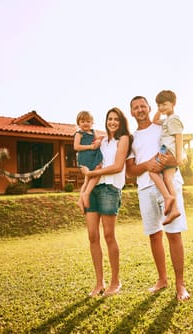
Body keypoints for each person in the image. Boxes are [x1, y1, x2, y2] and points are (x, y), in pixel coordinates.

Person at [126, 95, 190, 301]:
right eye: (136, 107)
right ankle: (162, 279)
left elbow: (179, 150)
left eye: (143, 106)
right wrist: (147, 165)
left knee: (174, 234)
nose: (140, 110)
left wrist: (174, 159)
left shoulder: (160, 126)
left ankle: (180, 285)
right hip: (145, 189)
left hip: (170, 184)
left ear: (149, 107)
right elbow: (130, 170)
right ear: (131, 112)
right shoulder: (131, 138)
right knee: (154, 235)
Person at [80, 107, 133, 297]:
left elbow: (118, 167)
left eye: (116, 119)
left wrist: (93, 173)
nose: (112, 122)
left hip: (110, 188)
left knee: (109, 236)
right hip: (93, 189)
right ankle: (99, 282)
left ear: (121, 121)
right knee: (92, 236)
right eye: (109, 119)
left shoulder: (124, 139)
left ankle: (115, 281)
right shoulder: (102, 141)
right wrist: (83, 192)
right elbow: (90, 162)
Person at [150, 90, 186, 225]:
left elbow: (179, 137)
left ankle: (167, 197)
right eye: (159, 105)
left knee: (152, 171)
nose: (161, 108)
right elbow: (154, 120)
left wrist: (178, 157)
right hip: (168, 152)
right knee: (167, 179)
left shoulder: (174, 119)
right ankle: (174, 209)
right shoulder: (167, 120)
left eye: (164, 104)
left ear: (173, 103)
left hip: (168, 152)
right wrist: (159, 110)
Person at [74, 111, 104, 213]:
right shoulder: (79, 133)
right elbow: (76, 147)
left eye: (88, 121)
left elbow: (97, 140)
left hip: (94, 156)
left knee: (87, 180)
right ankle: (86, 193)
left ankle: (80, 200)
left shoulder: (93, 131)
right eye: (83, 121)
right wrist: (91, 146)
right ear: (78, 123)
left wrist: (98, 141)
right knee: (97, 171)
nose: (86, 123)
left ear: (92, 122)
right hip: (86, 157)